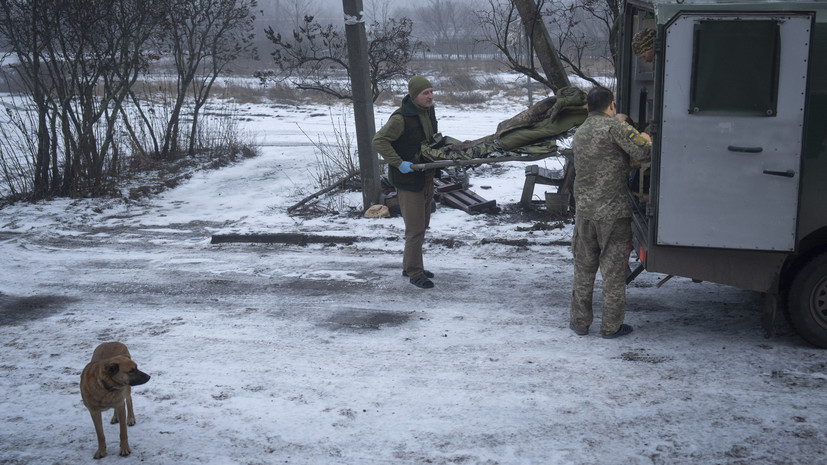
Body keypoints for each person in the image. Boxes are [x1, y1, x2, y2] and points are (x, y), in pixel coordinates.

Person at [569, 87, 652, 338]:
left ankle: (580, 323)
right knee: (613, 272)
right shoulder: (614, 127)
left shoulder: (580, 132)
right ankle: (611, 326)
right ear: (611, 106)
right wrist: (645, 135)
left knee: (583, 269)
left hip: (584, 212)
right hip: (612, 214)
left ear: (587, 107)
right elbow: (644, 152)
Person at [372, 76, 439, 289]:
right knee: (415, 228)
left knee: (423, 225)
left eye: (431, 91)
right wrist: (398, 162)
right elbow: (378, 141)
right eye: (425, 93)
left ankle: (410, 264)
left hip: (425, 176)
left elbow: (431, 140)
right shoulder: (401, 118)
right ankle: (414, 272)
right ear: (414, 95)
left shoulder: (428, 112)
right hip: (407, 180)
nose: (430, 96)